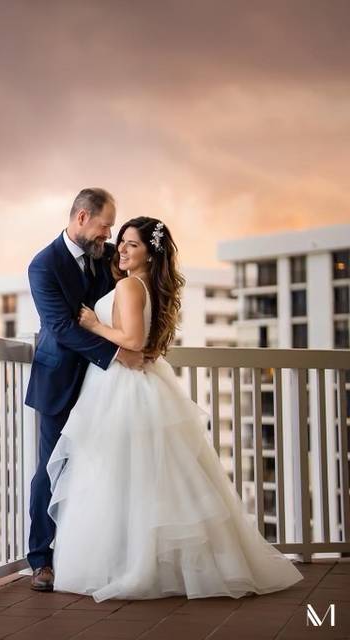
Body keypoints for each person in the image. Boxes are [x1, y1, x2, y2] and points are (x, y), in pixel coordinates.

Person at [45, 216, 303, 601]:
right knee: (140, 477)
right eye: (122, 243)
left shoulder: (132, 285)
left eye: (132, 244)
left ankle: (131, 564)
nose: (123, 250)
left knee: (121, 474)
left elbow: (132, 340)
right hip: (128, 381)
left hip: (122, 384)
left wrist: (92, 323)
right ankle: (145, 560)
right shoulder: (145, 285)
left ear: (150, 253)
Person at [23, 188, 147, 591]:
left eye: (111, 227)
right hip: (60, 379)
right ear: (81, 218)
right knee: (51, 466)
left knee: (101, 467)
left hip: (103, 384)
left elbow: (138, 278)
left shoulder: (104, 255)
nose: (108, 234)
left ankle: (95, 553)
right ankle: (41, 559)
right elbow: (60, 326)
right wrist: (116, 355)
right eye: (104, 225)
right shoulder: (43, 265)